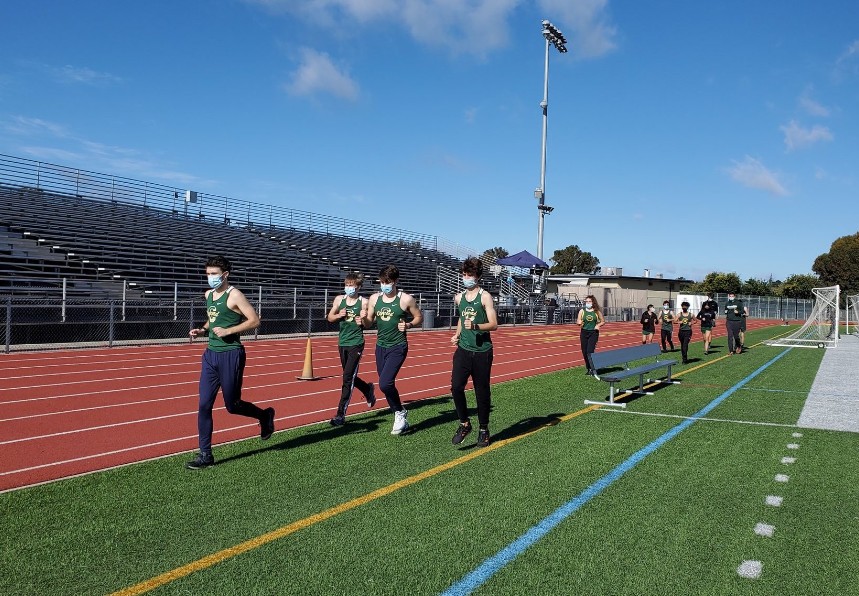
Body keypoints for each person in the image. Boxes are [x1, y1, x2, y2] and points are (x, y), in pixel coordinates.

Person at [186, 255, 275, 470]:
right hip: (210, 355)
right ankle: (205, 454)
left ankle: (264, 415)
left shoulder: (235, 295)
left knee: (232, 406)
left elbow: (255, 320)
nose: (210, 277)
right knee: (204, 405)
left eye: (214, 274)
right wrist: (202, 330)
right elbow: (213, 318)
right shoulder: (208, 294)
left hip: (231, 354)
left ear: (225, 275)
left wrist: (229, 331)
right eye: (208, 274)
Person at [363, 265, 422, 435]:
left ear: (395, 281)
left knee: (385, 383)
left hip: (398, 346)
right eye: (382, 282)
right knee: (386, 385)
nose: (384, 285)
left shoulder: (406, 299)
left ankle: (399, 412)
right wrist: (363, 319)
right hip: (380, 346)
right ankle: (398, 413)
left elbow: (419, 317)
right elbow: (369, 322)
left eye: (387, 282)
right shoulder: (374, 299)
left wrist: (409, 325)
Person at [450, 257, 498, 448]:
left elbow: (494, 324)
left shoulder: (485, 297)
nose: (466, 278)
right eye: (464, 274)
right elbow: (462, 319)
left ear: (477, 276)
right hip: (463, 350)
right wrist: (457, 334)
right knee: (456, 387)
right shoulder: (459, 297)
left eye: (469, 274)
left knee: (481, 391)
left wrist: (476, 326)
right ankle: (464, 424)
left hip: (482, 352)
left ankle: (484, 429)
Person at [326, 273, 376, 427]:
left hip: (356, 342)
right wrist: (338, 315)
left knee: (347, 378)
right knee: (349, 375)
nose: (348, 288)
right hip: (342, 342)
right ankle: (367, 389)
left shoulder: (364, 302)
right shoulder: (339, 300)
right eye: (346, 285)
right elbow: (329, 317)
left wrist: (363, 320)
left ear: (358, 287)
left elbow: (369, 323)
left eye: (351, 285)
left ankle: (340, 414)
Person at [576, 294, 605, 376]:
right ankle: (588, 368)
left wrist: (598, 325)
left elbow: (603, 321)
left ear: (593, 302)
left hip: (593, 333)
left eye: (589, 301)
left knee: (589, 351)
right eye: (587, 301)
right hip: (584, 333)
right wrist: (579, 322)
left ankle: (592, 368)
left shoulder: (597, 311)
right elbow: (578, 321)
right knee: (584, 352)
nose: (588, 303)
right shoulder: (582, 311)